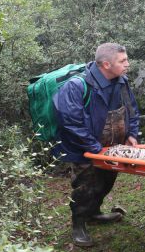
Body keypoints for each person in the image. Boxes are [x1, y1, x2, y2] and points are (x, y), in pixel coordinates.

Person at [52, 43, 140, 247]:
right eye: (123, 61)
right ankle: (78, 224)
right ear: (107, 64)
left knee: (106, 182)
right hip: (85, 150)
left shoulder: (122, 82)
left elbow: (132, 110)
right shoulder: (76, 86)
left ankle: (95, 214)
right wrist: (94, 148)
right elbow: (70, 122)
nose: (127, 64)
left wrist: (132, 134)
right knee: (86, 187)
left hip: (112, 149)